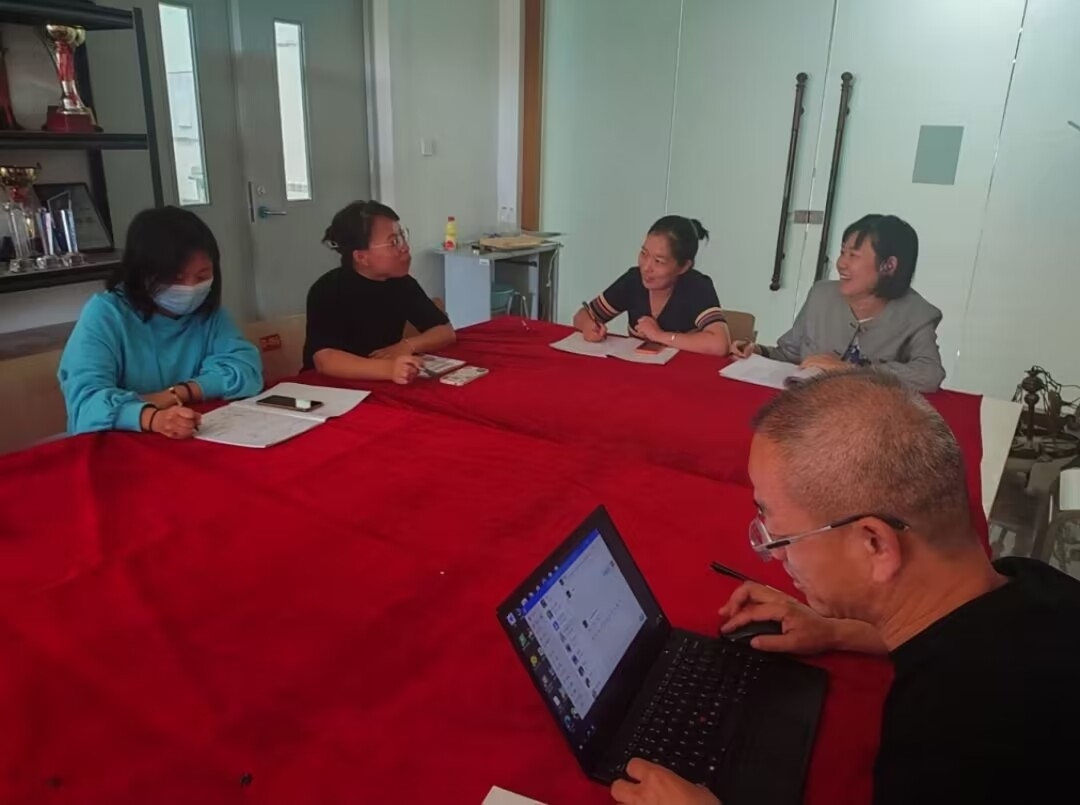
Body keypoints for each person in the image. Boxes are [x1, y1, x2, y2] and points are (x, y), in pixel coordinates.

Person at [612, 370, 1080, 805]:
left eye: (782, 536)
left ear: (874, 544)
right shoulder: (1031, 582)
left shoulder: (948, 744)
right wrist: (835, 631)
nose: (775, 555)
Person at [58, 207, 262, 439]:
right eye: (175, 278)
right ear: (141, 273)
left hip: (193, 434)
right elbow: (85, 404)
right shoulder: (106, 314)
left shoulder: (207, 312)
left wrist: (177, 394)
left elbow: (245, 370)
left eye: (202, 276)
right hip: (122, 443)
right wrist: (153, 418)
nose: (190, 288)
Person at [731, 214, 946, 392]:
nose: (841, 263)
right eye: (843, 252)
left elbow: (929, 375)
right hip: (811, 408)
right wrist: (757, 351)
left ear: (888, 266)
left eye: (853, 255)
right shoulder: (821, 295)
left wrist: (848, 370)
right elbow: (790, 354)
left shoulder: (917, 314)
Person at [303, 200, 455, 384]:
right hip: (329, 387)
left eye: (402, 237)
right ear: (361, 257)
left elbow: (445, 332)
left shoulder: (401, 283)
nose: (405, 247)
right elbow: (325, 360)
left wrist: (407, 346)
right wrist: (389, 369)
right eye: (394, 242)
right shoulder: (328, 289)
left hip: (382, 380)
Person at [572, 216, 730, 356]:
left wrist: (659, 335)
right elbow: (583, 315)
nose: (646, 267)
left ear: (684, 267)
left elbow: (719, 345)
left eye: (659, 261)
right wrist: (588, 327)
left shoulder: (696, 286)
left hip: (682, 374)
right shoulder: (633, 280)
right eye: (644, 254)